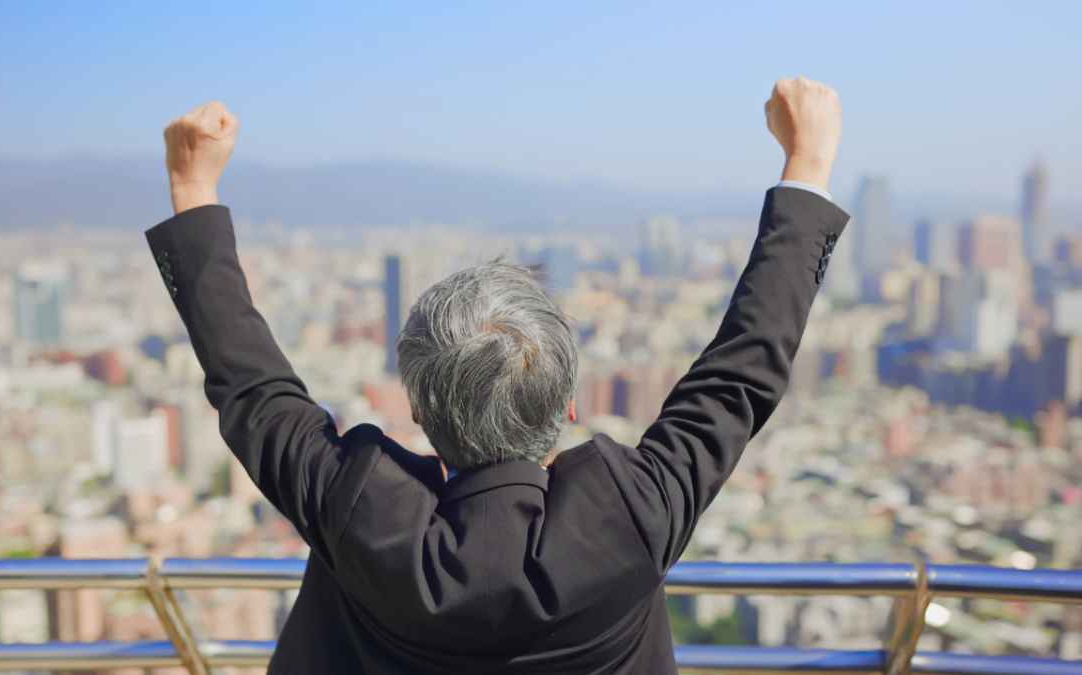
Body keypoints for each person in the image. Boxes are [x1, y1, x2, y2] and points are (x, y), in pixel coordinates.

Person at [146, 77, 849, 674]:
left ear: (418, 410)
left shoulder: (364, 516)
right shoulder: (627, 520)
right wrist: (807, 163)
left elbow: (255, 392)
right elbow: (740, 375)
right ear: (570, 404)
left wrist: (193, 185)